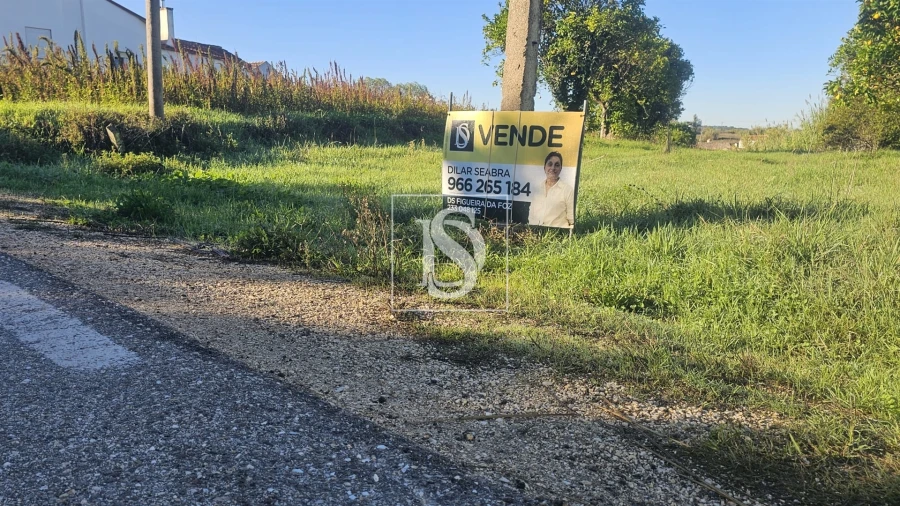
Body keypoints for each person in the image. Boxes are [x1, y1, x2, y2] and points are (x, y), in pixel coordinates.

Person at [527, 151, 575, 228]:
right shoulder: (537, 189)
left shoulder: (567, 190)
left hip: (557, 235)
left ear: (560, 169)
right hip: (535, 233)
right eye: (550, 164)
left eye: (557, 165)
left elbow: (572, 221)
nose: (553, 168)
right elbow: (531, 216)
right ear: (544, 167)